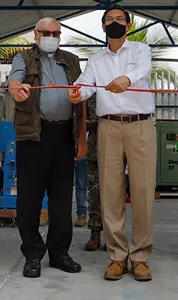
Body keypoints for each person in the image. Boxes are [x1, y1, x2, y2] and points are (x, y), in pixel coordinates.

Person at [69, 8, 156, 282]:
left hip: (140, 125)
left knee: (142, 191)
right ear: (102, 26)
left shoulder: (140, 50)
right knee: (110, 192)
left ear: (128, 26)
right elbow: (86, 84)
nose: (115, 23)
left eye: (120, 19)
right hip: (108, 126)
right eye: (110, 20)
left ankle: (140, 257)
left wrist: (127, 79)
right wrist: (76, 93)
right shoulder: (96, 59)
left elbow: (143, 70)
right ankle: (117, 256)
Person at [8, 18, 85, 278]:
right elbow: (15, 81)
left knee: (62, 199)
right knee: (29, 199)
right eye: (46, 32)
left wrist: (82, 138)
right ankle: (32, 253)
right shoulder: (23, 58)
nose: (51, 36)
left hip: (64, 135)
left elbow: (83, 96)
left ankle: (59, 252)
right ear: (35, 34)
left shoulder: (72, 60)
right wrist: (17, 90)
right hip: (33, 135)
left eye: (56, 33)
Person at [83, 94, 104, 252]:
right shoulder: (90, 94)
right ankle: (95, 234)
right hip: (94, 151)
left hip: (114, 150)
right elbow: (82, 120)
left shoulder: (117, 91)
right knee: (93, 193)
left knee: (114, 194)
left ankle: (113, 236)